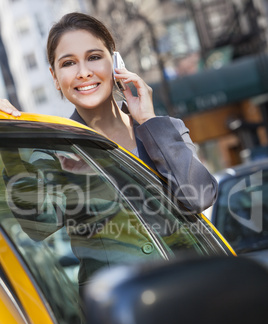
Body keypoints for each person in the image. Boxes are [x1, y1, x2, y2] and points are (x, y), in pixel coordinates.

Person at [0, 12, 217, 214]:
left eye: (94, 57)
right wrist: (7, 141)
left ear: (115, 63)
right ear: (55, 77)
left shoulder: (167, 130)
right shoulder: (54, 151)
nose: (84, 73)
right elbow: (38, 224)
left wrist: (148, 121)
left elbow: (200, 197)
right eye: (68, 63)